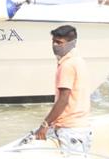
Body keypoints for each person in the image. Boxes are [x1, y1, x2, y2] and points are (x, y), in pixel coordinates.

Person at [34, 25, 92, 155]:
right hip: (82, 127)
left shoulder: (67, 65)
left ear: (71, 43)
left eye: (59, 42)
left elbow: (63, 99)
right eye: (53, 41)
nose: (55, 45)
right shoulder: (80, 61)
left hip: (69, 129)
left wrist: (45, 124)